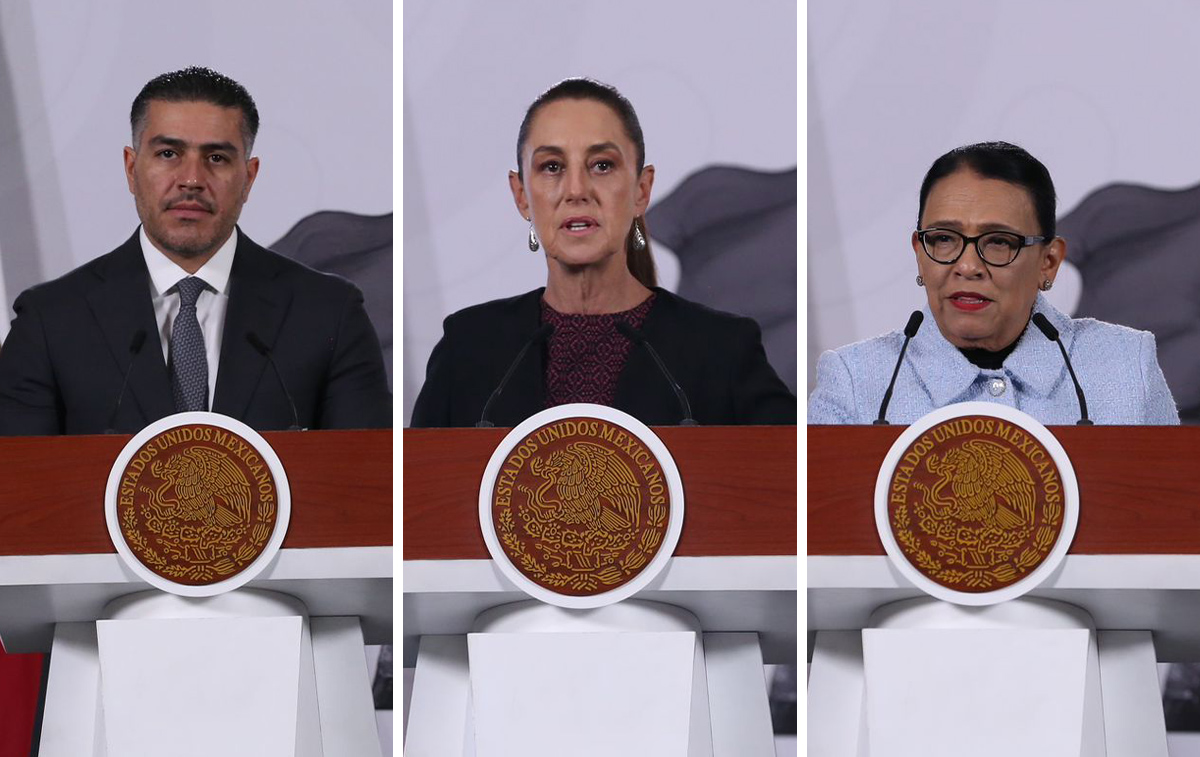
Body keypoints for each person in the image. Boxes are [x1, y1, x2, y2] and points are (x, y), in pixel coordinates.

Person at [0, 67, 390, 435]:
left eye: (216, 158)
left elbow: (367, 473)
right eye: (168, 154)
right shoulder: (51, 320)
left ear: (249, 177)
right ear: (131, 168)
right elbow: (20, 476)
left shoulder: (329, 313)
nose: (191, 180)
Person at [410, 78, 795, 428]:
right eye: (552, 166)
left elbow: (797, 472)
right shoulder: (468, 347)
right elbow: (415, 479)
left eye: (602, 165)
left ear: (641, 190)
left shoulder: (722, 350)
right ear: (521, 195)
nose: (577, 190)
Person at [808, 141, 1179, 425]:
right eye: (944, 239)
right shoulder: (856, 380)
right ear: (920, 252)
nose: (968, 266)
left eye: (999, 242)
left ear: (1048, 262)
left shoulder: (1125, 365)